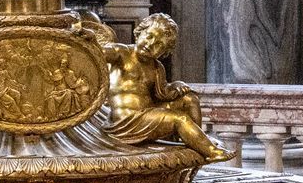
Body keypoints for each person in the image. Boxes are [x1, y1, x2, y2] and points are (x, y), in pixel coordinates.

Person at [77, 13, 231, 162]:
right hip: (125, 120)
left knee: (190, 99)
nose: (151, 44)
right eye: (149, 36)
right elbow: (98, 53)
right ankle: (211, 152)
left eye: (158, 44)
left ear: (164, 52)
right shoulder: (121, 53)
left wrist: (176, 86)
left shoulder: (157, 67)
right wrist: (90, 40)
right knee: (180, 119)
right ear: (138, 33)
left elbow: (162, 94)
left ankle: (196, 139)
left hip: (146, 114)